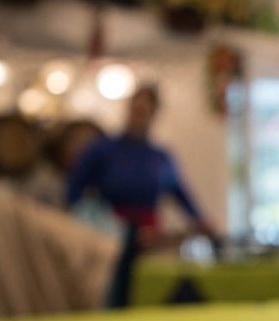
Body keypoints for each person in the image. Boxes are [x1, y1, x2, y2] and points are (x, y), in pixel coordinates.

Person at [66, 85, 219, 307]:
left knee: (151, 294)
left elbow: (180, 194)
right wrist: (101, 225)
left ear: (154, 114)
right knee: (112, 295)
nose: (137, 116)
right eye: (134, 110)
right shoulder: (102, 150)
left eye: (144, 111)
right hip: (110, 238)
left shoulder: (161, 157)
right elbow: (75, 194)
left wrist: (201, 221)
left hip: (151, 237)